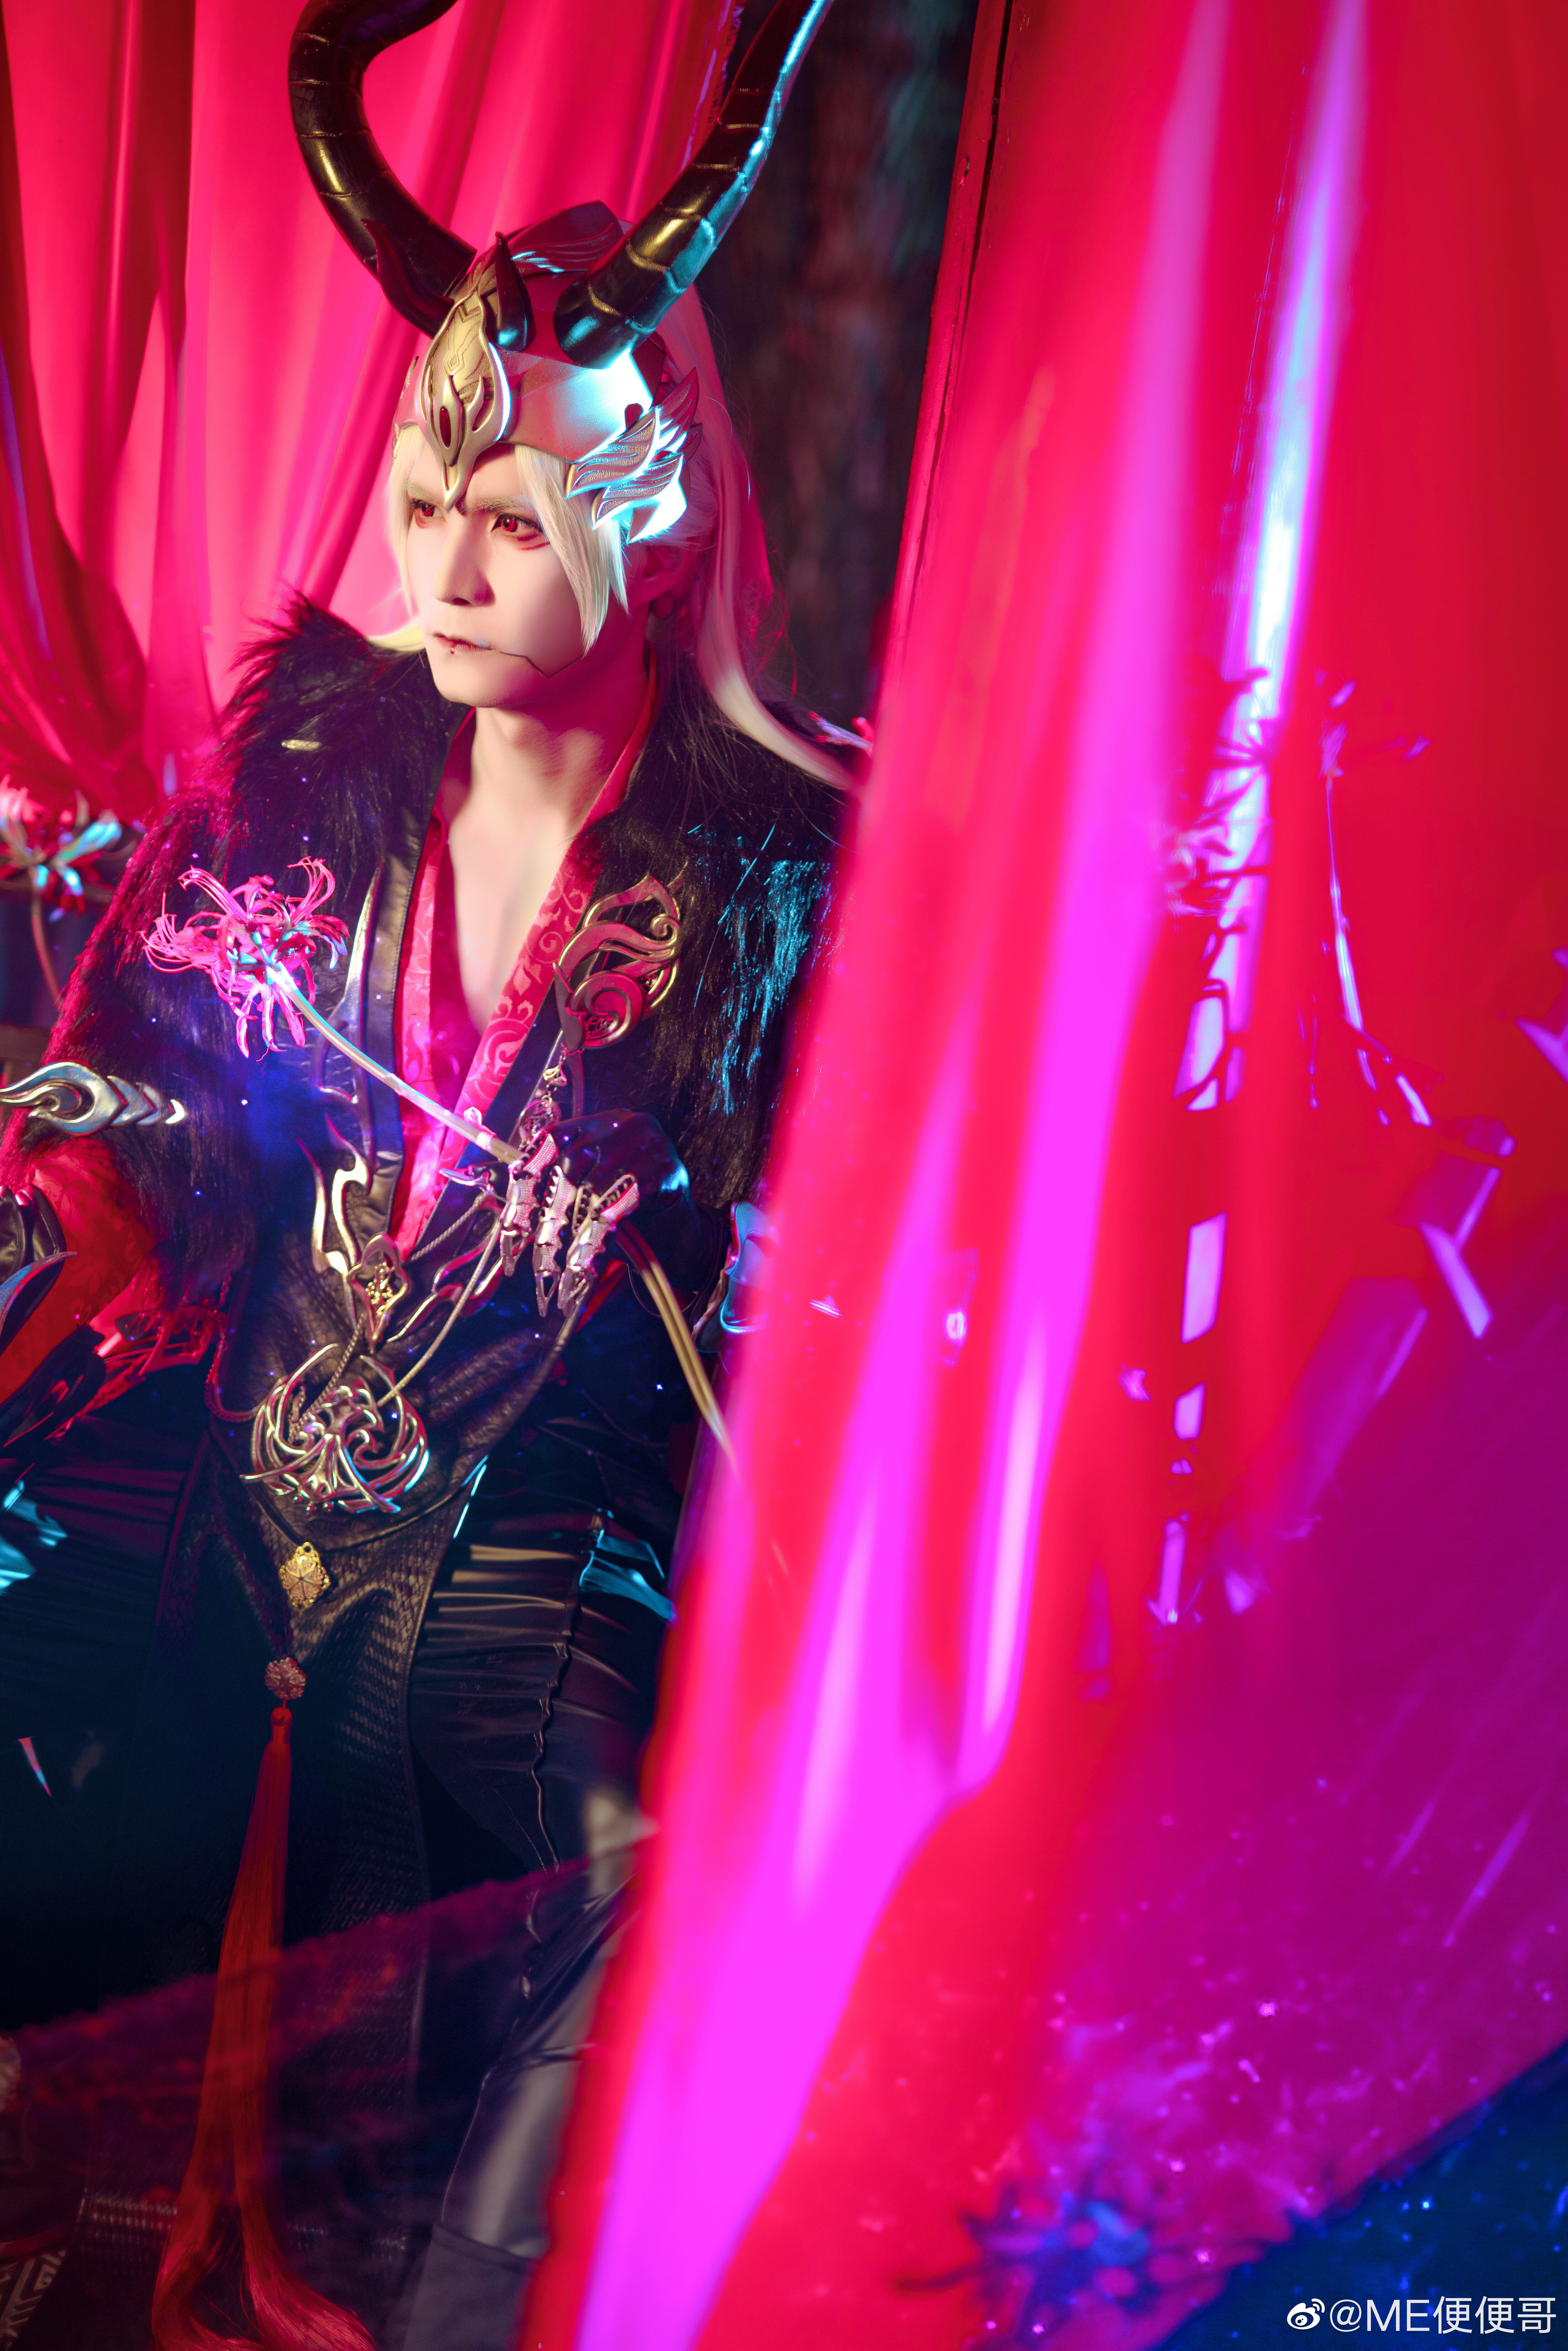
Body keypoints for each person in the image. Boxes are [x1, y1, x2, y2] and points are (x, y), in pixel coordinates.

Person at [0, 1, 845, 2343]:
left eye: (514, 514)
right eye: (426, 499)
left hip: (551, 1580)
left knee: (597, 1883)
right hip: (222, 1512)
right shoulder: (298, 779)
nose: (448, 565)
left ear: (654, 521)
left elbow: (834, 1285)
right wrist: (73, 1205)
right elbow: (131, 1101)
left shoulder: (780, 881)